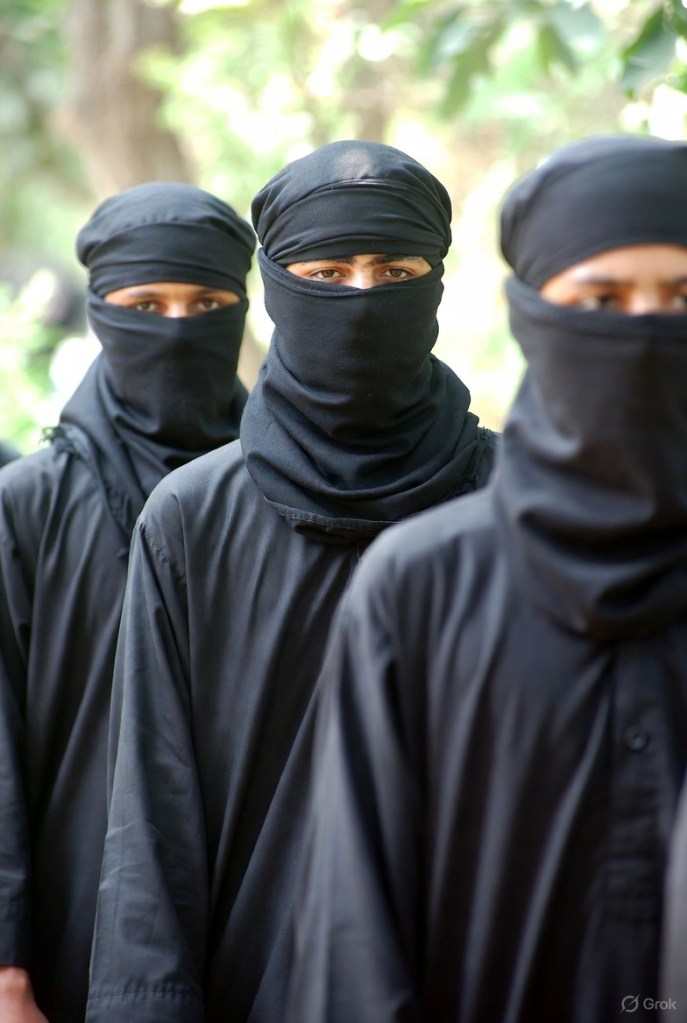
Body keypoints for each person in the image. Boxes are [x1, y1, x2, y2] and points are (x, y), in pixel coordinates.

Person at [84, 140, 498, 1023]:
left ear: (436, 281)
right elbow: (153, 812)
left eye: (394, 268)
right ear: (276, 286)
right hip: (255, 977)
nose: (360, 296)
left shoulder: (514, 499)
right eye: (327, 269)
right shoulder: (193, 515)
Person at [284, 134, 687, 1023]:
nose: (644, 330)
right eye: (601, 298)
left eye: (680, 295)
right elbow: (357, 932)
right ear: (537, 315)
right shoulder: (423, 586)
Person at [0, 181, 255, 1023]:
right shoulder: (28, 505)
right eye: (147, 303)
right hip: (75, 933)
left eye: (206, 302)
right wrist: (7, 969)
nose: (177, 327)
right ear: (103, 312)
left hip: (262, 916)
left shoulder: (281, 496)